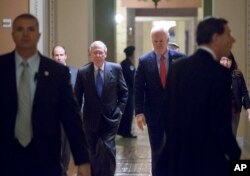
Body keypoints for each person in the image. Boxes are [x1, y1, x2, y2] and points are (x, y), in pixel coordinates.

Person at [0, 13, 91, 176]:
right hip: (7, 156)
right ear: (13, 35)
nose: (26, 34)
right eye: (20, 29)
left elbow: (71, 118)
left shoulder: (58, 73)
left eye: (31, 29)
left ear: (38, 35)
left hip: (45, 158)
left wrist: (82, 159)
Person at [158, 17, 241, 176]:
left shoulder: (177, 67)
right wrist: (237, 158)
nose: (233, 40)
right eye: (228, 34)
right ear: (216, 38)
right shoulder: (219, 74)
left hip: (177, 160)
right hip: (207, 162)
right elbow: (220, 126)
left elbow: (167, 113)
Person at [134, 26, 185, 176]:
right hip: (153, 114)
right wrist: (139, 113)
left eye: (161, 41)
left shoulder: (180, 59)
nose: (158, 44)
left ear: (168, 40)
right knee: (157, 151)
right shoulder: (144, 61)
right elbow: (138, 88)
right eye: (155, 41)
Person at [74, 41, 128, 176]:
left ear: (105, 54)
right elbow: (77, 98)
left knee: (108, 150)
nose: (98, 55)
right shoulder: (83, 72)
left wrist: (119, 111)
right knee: (92, 152)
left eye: (100, 52)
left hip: (110, 118)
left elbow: (124, 92)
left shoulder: (115, 69)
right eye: (95, 53)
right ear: (90, 55)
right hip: (90, 120)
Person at [52, 45, 78, 176]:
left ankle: (64, 170)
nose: (59, 57)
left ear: (65, 56)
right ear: (53, 57)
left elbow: (80, 95)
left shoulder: (75, 73)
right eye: (56, 55)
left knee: (67, 147)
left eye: (61, 55)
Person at [220, 52, 250, 136]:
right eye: (223, 59)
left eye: (229, 60)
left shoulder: (237, 75)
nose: (226, 62)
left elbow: (244, 92)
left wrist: (249, 110)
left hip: (234, 112)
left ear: (232, 62)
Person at [117, 45, 137, 138]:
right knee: (128, 113)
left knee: (125, 112)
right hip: (129, 92)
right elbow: (132, 78)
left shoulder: (123, 63)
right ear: (131, 54)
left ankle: (123, 130)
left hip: (124, 92)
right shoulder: (128, 65)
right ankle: (126, 132)